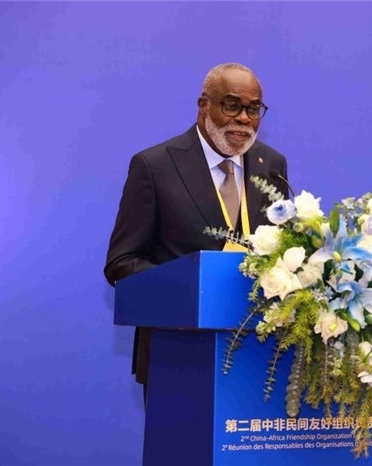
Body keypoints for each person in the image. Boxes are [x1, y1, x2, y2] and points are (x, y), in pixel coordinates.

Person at [104, 63, 289, 399]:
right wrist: (189, 287)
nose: (244, 118)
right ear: (204, 105)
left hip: (256, 359)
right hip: (177, 354)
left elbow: (284, 250)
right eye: (231, 105)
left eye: (253, 109)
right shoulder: (155, 166)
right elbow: (122, 261)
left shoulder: (272, 164)